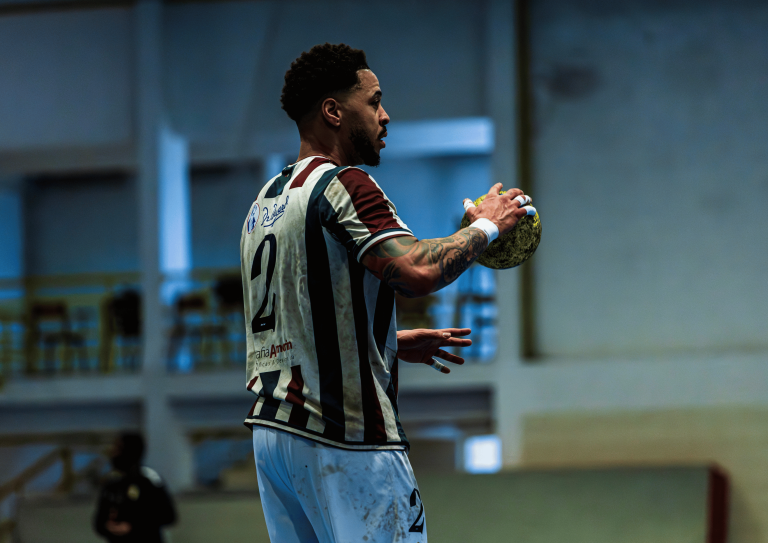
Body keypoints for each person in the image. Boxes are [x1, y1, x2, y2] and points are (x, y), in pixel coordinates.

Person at [240, 43, 536, 543]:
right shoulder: (344, 185)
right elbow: (415, 271)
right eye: (374, 101)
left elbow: (294, 320)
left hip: (274, 438)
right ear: (333, 111)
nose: (385, 115)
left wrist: (385, 341)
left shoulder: (265, 203)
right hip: (344, 433)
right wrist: (487, 226)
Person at [93, 432, 177, 543]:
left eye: (118, 448)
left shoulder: (150, 479)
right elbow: (99, 522)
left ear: (130, 451)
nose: (113, 453)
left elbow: (168, 516)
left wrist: (133, 526)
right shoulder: (111, 483)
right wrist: (109, 527)